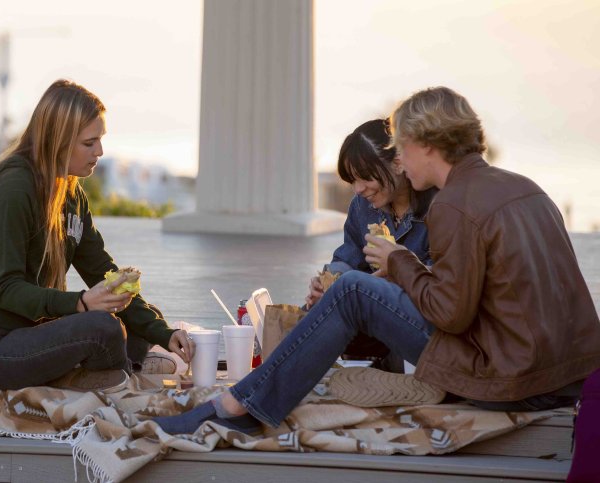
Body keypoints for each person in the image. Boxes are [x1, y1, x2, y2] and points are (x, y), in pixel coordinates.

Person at [153, 86, 600, 435]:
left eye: (402, 147)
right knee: (348, 286)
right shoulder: (526, 188)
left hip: (509, 382)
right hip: (565, 378)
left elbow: (451, 314)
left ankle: (238, 407)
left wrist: (399, 263)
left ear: (427, 144)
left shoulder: (454, 205)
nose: (400, 161)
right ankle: (247, 400)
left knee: (351, 291)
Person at [0, 80, 194, 392]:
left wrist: (163, 333)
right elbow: (7, 289)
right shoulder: (13, 190)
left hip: (40, 335)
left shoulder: (72, 195)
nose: (100, 151)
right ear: (58, 140)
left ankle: (97, 374)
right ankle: (112, 377)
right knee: (102, 327)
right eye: (89, 143)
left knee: (136, 321)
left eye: (100, 141)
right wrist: (82, 303)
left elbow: (102, 269)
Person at [305, 119, 436, 369]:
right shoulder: (362, 207)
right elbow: (347, 260)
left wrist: (392, 276)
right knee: (311, 313)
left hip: (418, 326)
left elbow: (445, 288)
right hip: (370, 323)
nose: (358, 189)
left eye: (365, 177)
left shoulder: (438, 206)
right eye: (352, 180)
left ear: (398, 163)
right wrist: (328, 281)